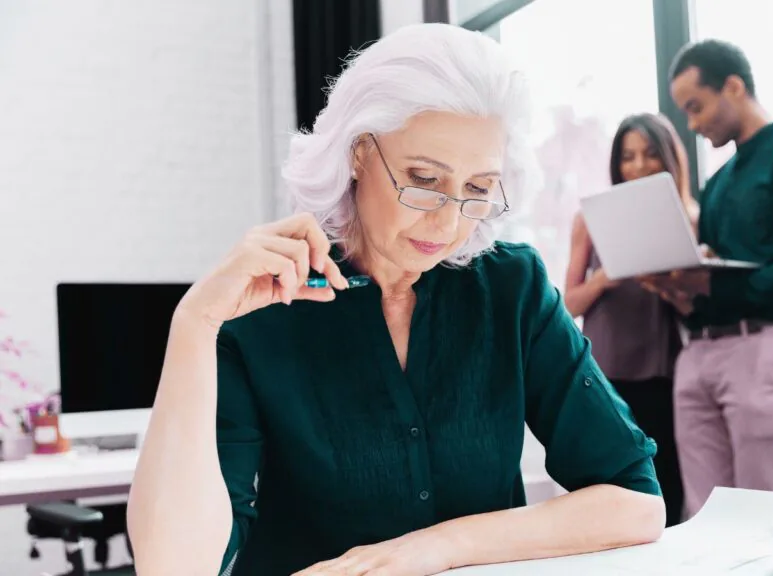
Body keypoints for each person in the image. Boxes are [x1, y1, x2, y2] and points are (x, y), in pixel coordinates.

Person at [125, 24, 665, 576]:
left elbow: (635, 502)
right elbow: (174, 566)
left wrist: (434, 548)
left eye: (478, 189)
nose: (450, 221)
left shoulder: (511, 287)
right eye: (424, 179)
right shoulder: (266, 305)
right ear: (359, 153)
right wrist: (194, 324)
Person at [645, 39, 773, 519]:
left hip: (766, 349)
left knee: (770, 518)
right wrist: (679, 286)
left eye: (697, 107)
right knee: (703, 519)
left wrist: (717, 285)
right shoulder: (718, 185)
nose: (694, 124)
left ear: (735, 87)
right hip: (699, 355)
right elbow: (713, 274)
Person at [563, 113, 697, 527]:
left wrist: (667, 284)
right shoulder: (591, 219)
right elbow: (568, 304)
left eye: (650, 154)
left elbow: (699, 308)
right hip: (604, 373)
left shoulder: (689, 216)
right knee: (608, 486)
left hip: (664, 372)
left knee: (666, 487)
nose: (638, 165)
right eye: (628, 156)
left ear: (670, 158)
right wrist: (605, 278)